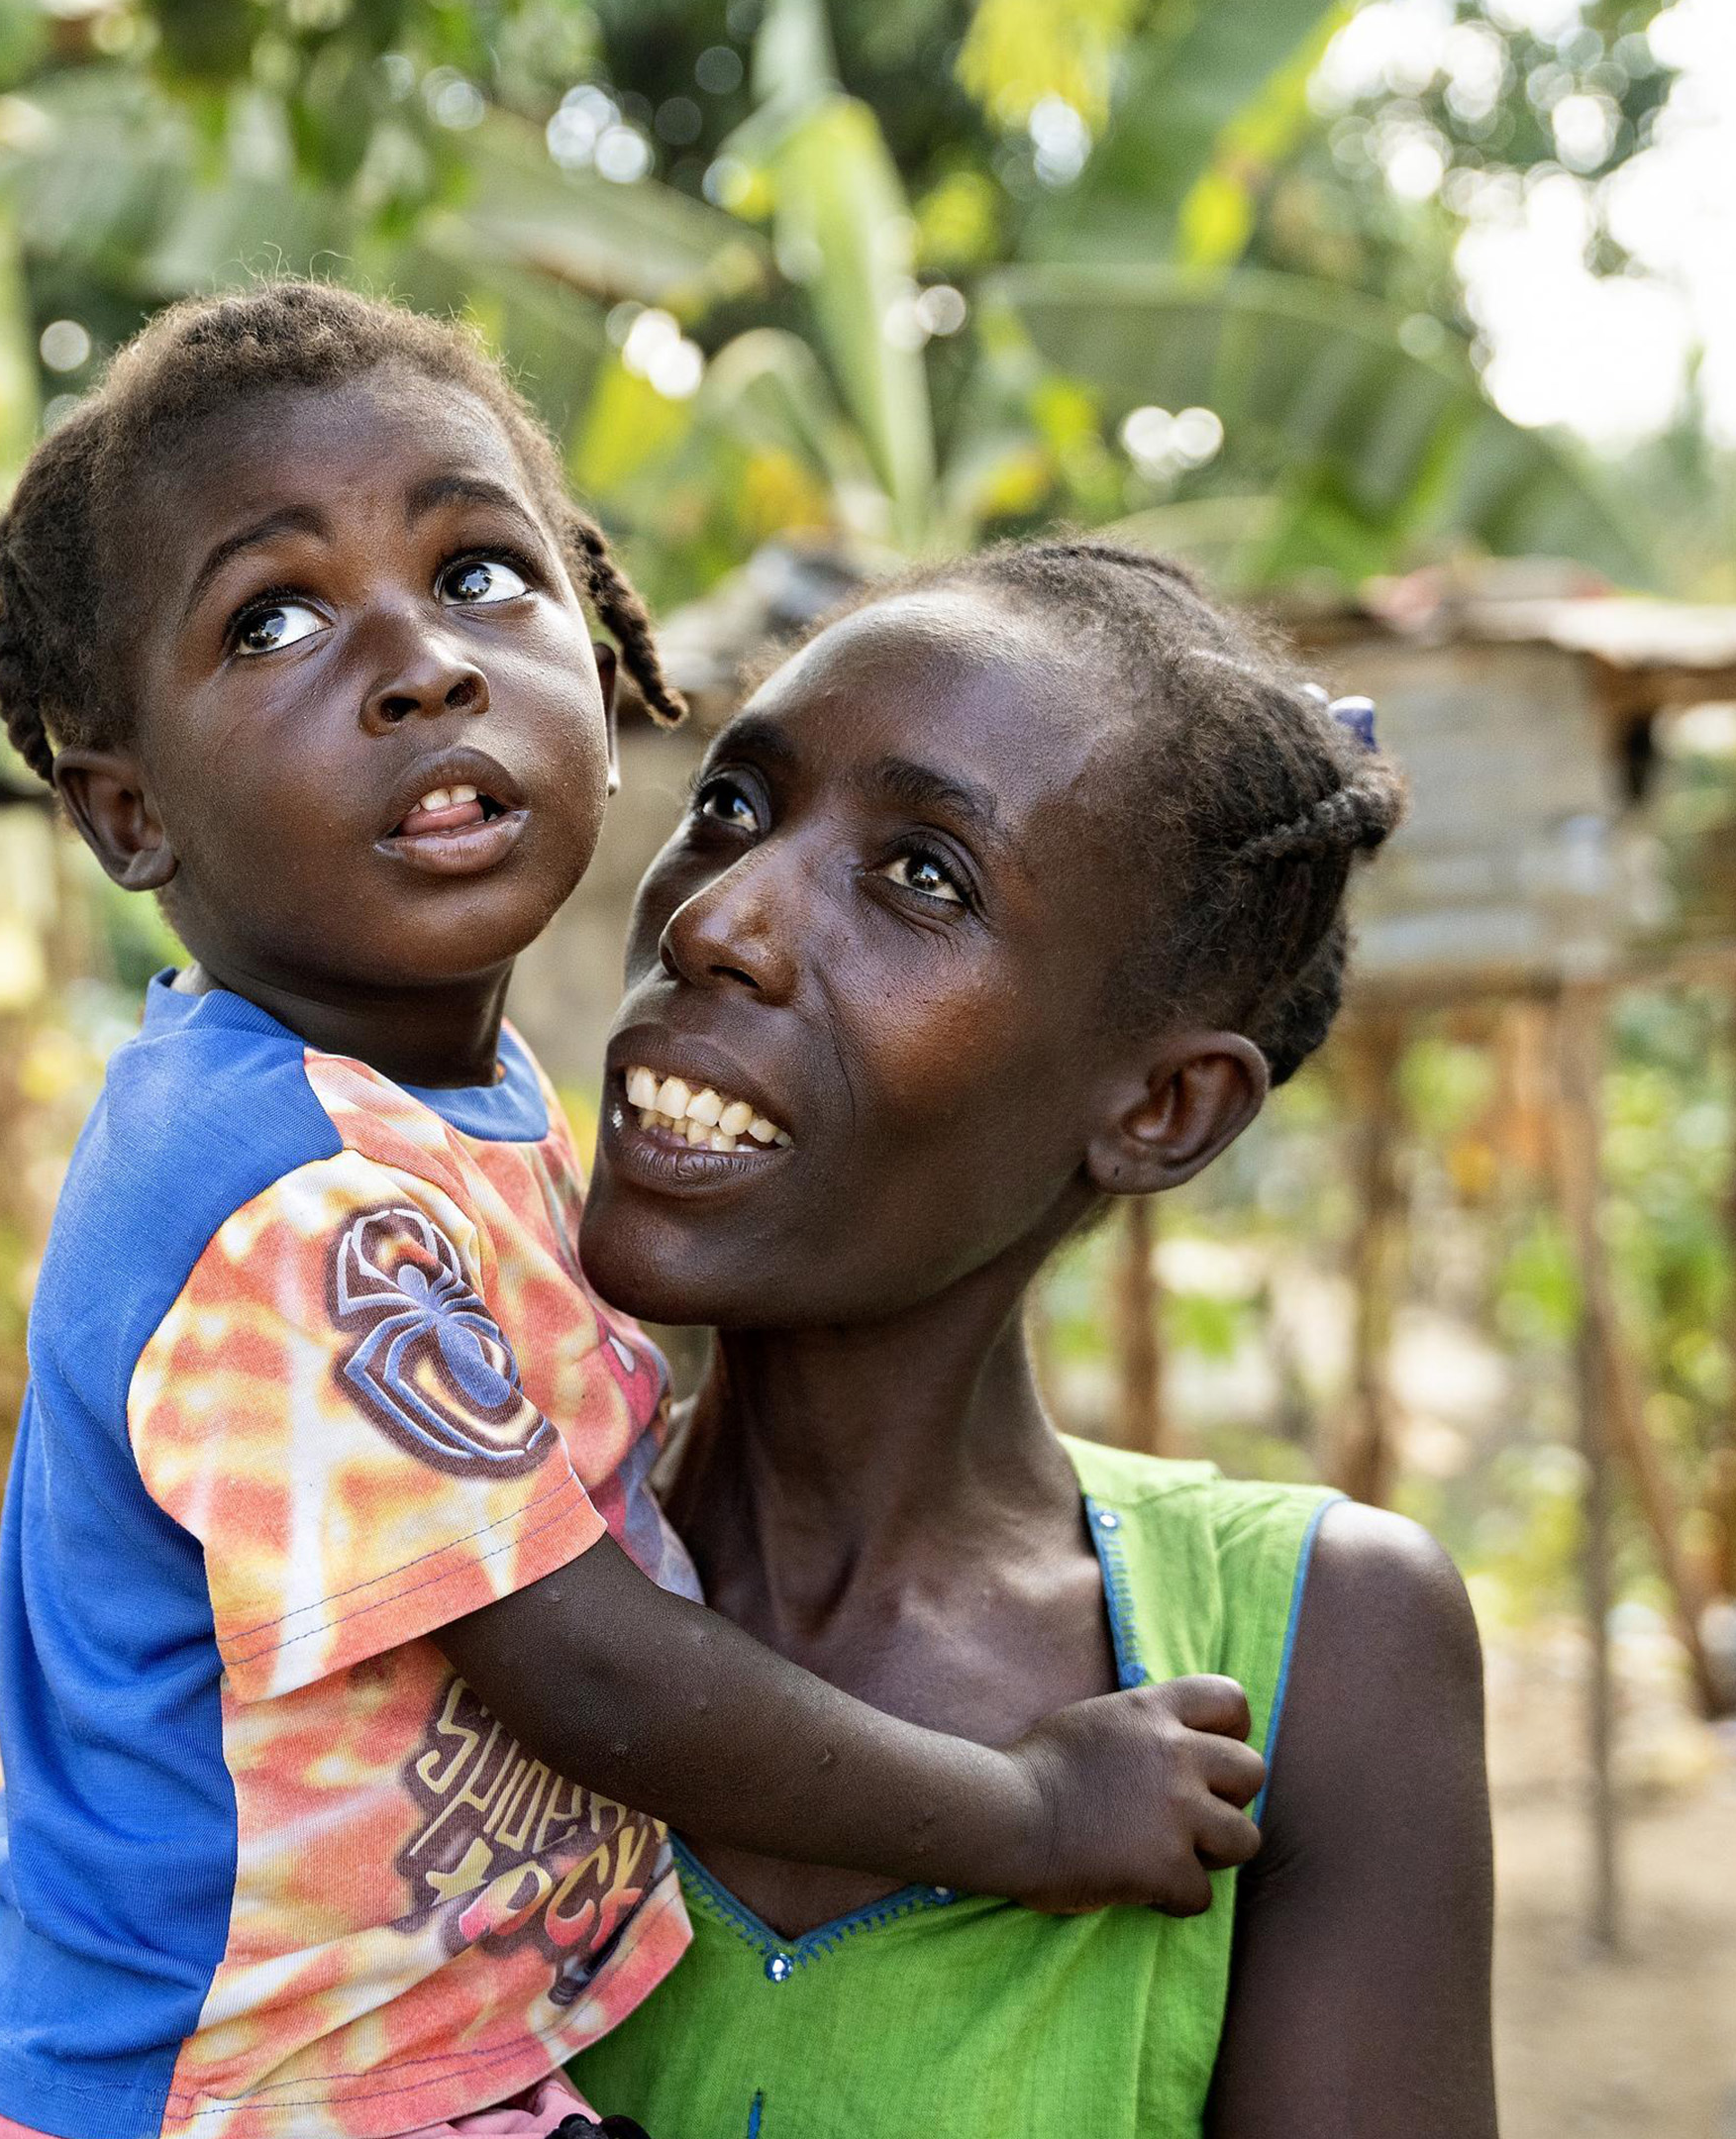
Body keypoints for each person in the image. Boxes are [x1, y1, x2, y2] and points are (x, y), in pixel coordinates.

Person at [0, 289, 1277, 2139]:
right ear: (128, 813)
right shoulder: (286, 1189)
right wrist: (1024, 1812)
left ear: (604, 659)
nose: (416, 663)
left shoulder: (437, 1123)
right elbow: (575, 1662)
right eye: (278, 618)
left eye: (482, 576)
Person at [566, 546, 1497, 2138]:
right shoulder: (445, 1560)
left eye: (924, 875)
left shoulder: (1309, 1661)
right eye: (733, 806)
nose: (718, 918)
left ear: (1160, 1108)